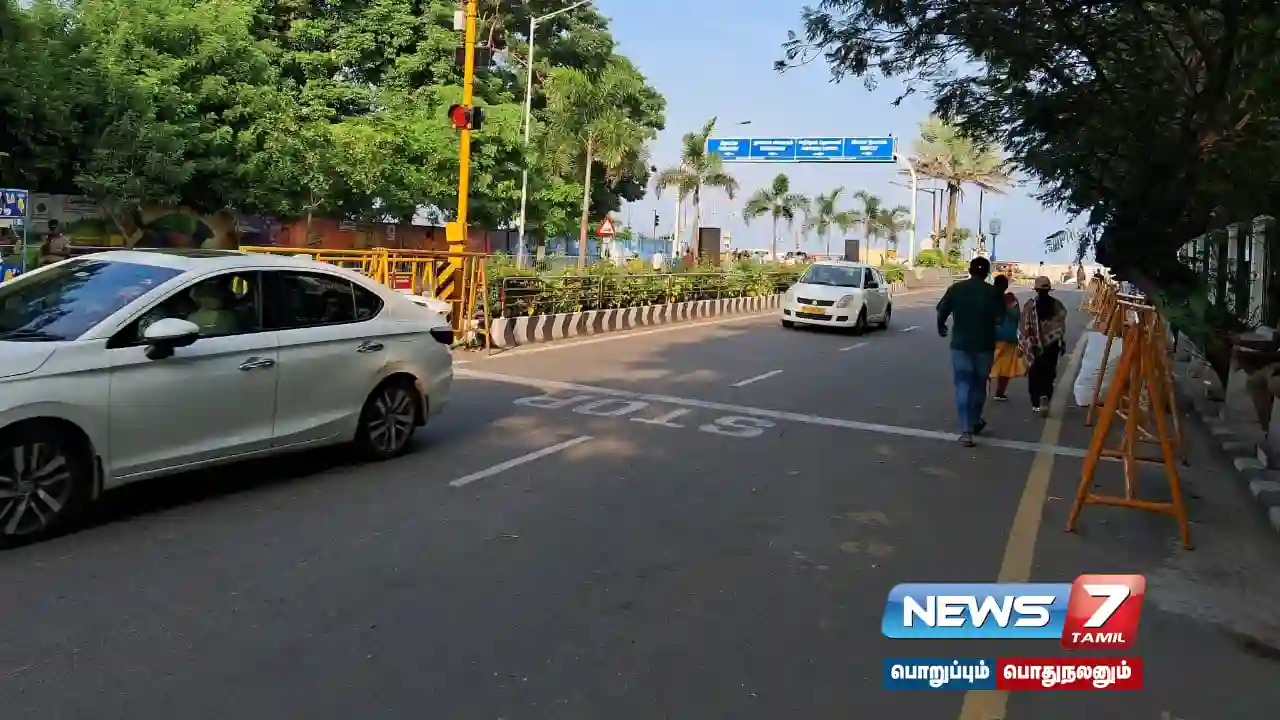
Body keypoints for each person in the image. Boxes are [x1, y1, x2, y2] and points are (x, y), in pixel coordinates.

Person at [937, 256, 1004, 446]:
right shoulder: (994, 293)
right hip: (984, 346)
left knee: (963, 385)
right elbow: (1000, 319)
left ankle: (966, 430)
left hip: (961, 346)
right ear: (987, 272)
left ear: (969, 270)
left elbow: (942, 310)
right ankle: (975, 420)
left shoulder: (957, 289)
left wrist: (941, 325)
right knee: (979, 384)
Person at [1019, 276, 1069, 414]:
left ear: (1036, 289)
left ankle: (1036, 403)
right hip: (1051, 346)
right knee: (1049, 373)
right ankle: (1045, 396)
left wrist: (1024, 345)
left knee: (1034, 374)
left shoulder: (1030, 305)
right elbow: (1061, 326)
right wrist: (1061, 342)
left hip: (1034, 346)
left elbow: (1023, 326)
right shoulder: (1057, 305)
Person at [989, 274, 1027, 401]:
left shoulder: (988, 298)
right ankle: (999, 392)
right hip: (1009, 338)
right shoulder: (1012, 300)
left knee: (986, 365)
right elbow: (1018, 318)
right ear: (1006, 286)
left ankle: (982, 390)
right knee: (1005, 368)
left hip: (990, 338)